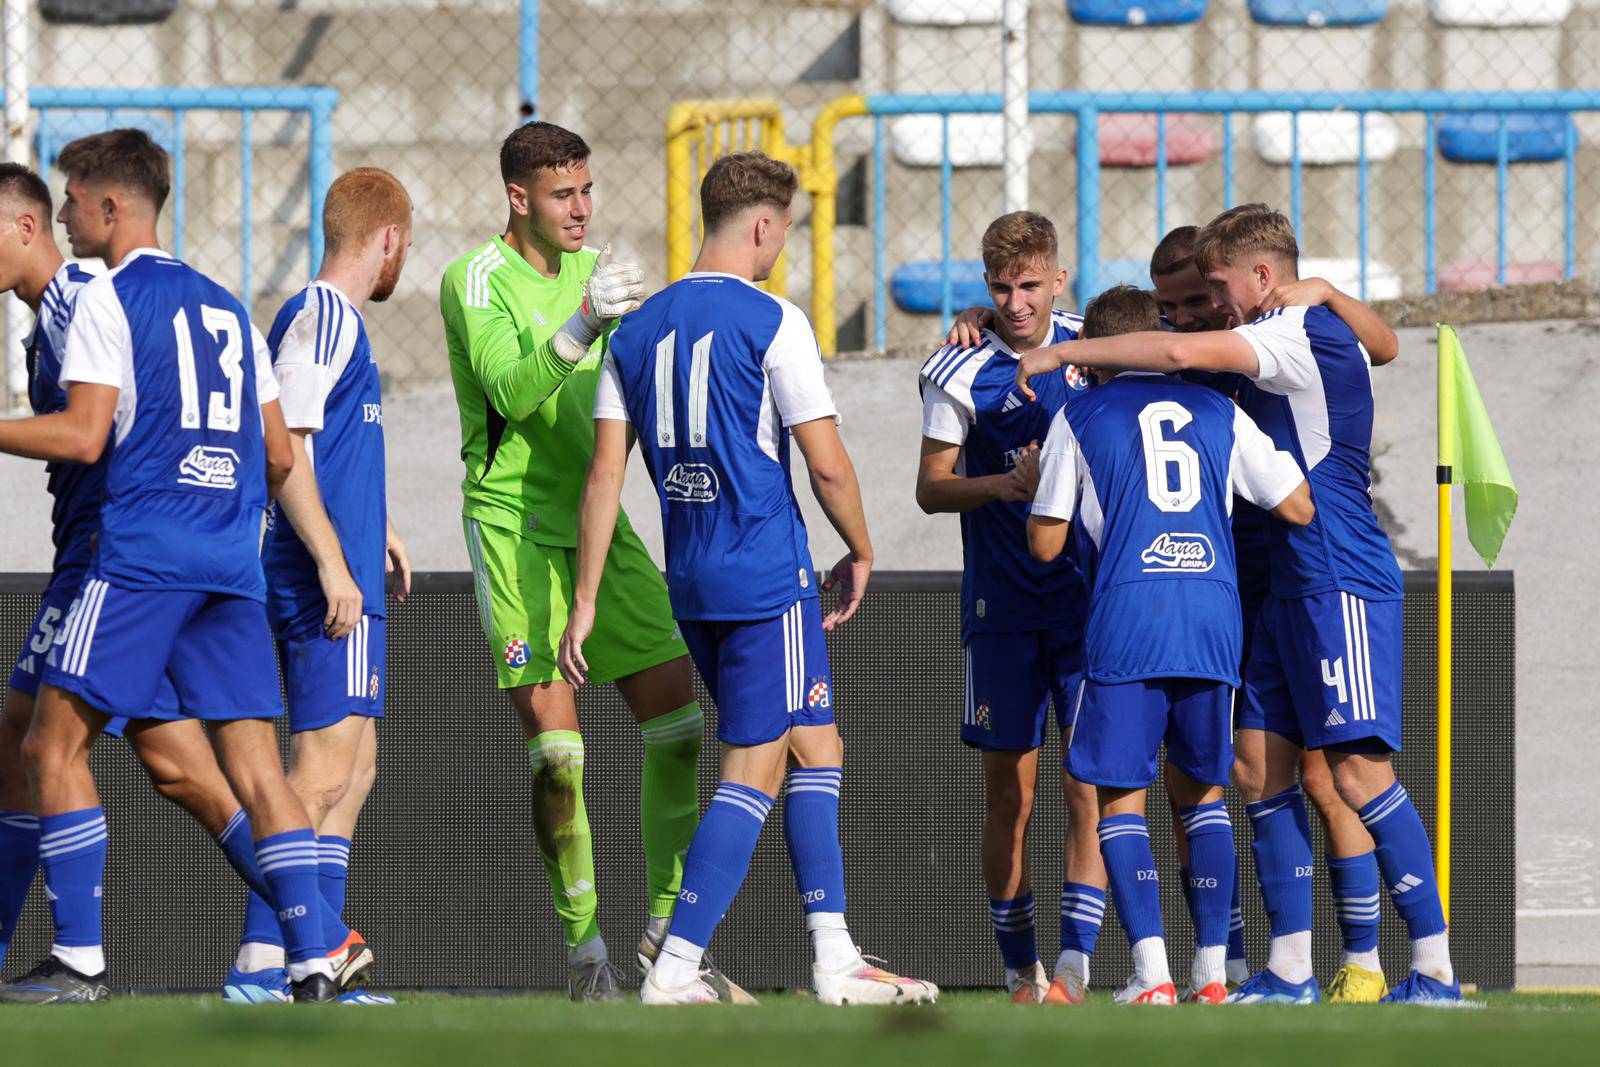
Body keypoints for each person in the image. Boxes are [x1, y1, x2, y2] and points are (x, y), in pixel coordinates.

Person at [1014, 204, 1461, 1005]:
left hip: (1337, 573)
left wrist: (1061, 351)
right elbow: (1381, 344)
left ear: (1261, 277)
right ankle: (1290, 967)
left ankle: (1430, 964)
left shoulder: (1289, 330)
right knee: (1259, 767)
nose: (1206, 308)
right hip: (1275, 586)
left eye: (1215, 288)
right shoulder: (1270, 335)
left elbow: (1182, 348)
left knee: (1357, 775)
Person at [559, 151, 936, 1006]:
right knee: (756, 763)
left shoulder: (637, 327)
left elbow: (604, 477)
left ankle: (835, 953)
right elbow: (826, 463)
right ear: (762, 225)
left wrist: (584, 602)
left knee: (816, 742)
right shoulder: (775, 320)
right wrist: (864, 546)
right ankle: (680, 963)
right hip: (769, 576)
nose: (780, 246)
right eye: (784, 231)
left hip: (691, 578)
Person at [0, 130, 337, 1003]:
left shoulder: (106, 297)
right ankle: (312, 959)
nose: (68, 214)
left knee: (48, 741)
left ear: (111, 208)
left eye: (74, 199)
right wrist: (216, 495)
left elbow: (84, 433)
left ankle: (77, 959)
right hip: (230, 559)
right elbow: (273, 450)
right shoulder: (227, 304)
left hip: (140, 556)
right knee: (256, 767)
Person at [438, 121, 742, 1002]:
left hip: (599, 524)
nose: (582, 208)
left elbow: (632, 395)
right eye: (564, 194)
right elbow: (513, 393)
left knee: (680, 723)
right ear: (519, 197)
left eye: (588, 189)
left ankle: (663, 937)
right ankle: (586, 958)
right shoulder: (474, 280)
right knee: (558, 756)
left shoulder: (598, 269)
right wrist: (584, 320)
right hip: (515, 529)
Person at [1027, 284, 1313, 1005]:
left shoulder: (1080, 414)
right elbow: (1297, 503)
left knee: (1121, 796)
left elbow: (1044, 542)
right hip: (1212, 616)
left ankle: (1150, 972)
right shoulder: (1220, 409)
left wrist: (1035, 487)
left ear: (1095, 356)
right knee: (1204, 794)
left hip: (1130, 611)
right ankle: (1213, 973)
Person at [1151, 225, 1398, 1002]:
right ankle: (1232, 962)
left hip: (1300, 572)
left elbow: (1384, 345)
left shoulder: (1268, 339)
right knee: (1232, 770)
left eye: (1202, 297)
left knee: (1332, 777)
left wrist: (1326, 290)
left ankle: (1364, 957)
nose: (1192, 314)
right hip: (1222, 589)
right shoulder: (1175, 354)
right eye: (1174, 305)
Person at [225, 168, 415, 1004]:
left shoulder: (331, 323)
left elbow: (329, 449)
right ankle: (268, 960)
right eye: (403, 248)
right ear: (387, 241)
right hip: (316, 578)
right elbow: (288, 450)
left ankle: (318, 965)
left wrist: (377, 530)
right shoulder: (325, 315)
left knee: (357, 768)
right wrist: (336, 560)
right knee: (318, 774)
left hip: (345, 564)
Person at [914, 210, 1105, 1005]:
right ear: (983, 286)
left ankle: (1075, 966)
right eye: (1001, 286)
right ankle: (1016, 967)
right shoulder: (955, 366)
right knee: (1010, 795)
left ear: (1059, 278)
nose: (1017, 301)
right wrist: (1005, 485)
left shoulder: (1096, 349)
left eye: (1031, 283)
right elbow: (930, 487)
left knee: (1087, 787)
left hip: (1087, 604)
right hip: (1000, 610)